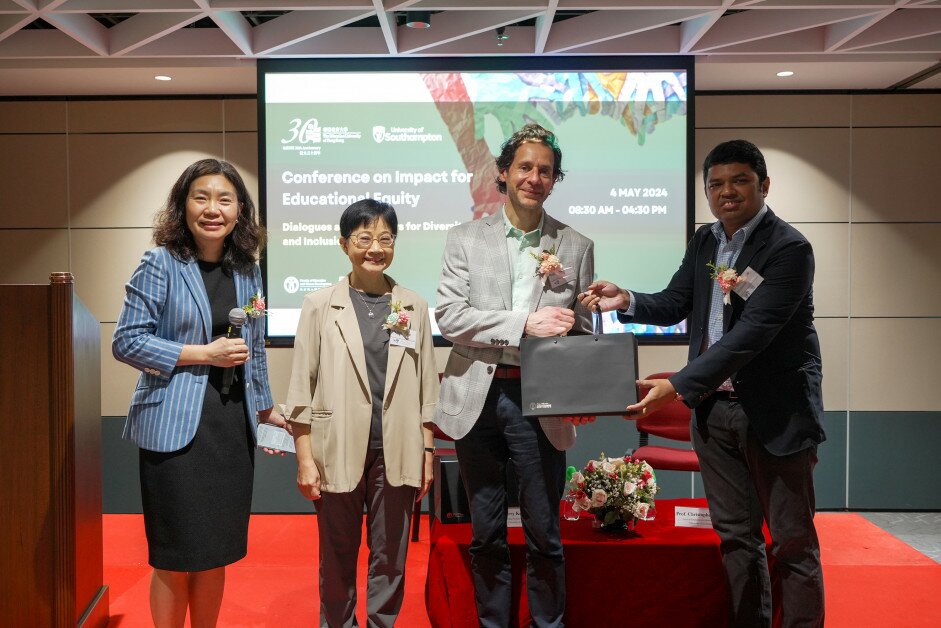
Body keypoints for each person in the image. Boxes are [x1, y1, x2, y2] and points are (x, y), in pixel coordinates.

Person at [579, 139, 826, 627]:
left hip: (776, 413)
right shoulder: (707, 241)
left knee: (792, 540)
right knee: (736, 536)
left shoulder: (789, 248)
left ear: (764, 185)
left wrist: (677, 385)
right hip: (716, 414)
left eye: (739, 181)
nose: (726, 192)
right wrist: (625, 297)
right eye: (716, 184)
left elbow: (752, 335)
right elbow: (676, 302)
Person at [112, 158, 288, 627]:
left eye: (225, 200)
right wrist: (201, 353)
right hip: (174, 425)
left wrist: (266, 409)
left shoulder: (248, 271)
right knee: (174, 553)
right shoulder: (161, 263)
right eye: (202, 197)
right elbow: (126, 341)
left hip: (231, 425)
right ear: (183, 205)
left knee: (215, 550)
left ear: (239, 211)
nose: (213, 209)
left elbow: (254, 348)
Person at [435, 123, 595, 627]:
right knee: (485, 531)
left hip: (541, 400)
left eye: (545, 171)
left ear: (554, 180)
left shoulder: (576, 244)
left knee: (545, 531)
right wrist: (523, 324)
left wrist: (583, 386)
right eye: (525, 167)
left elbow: (583, 329)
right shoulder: (464, 238)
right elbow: (451, 317)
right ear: (503, 174)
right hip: (476, 398)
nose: (534, 177)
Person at [285, 199, 438, 628]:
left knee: (391, 556)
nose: (376, 247)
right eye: (364, 238)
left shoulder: (413, 306)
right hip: (335, 446)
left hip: (399, 448)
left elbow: (428, 384)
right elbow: (302, 385)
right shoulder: (319, 304)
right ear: (344, 244)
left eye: (385, 238)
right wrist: (304, 457)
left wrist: (427, 451)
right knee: (336, 555)